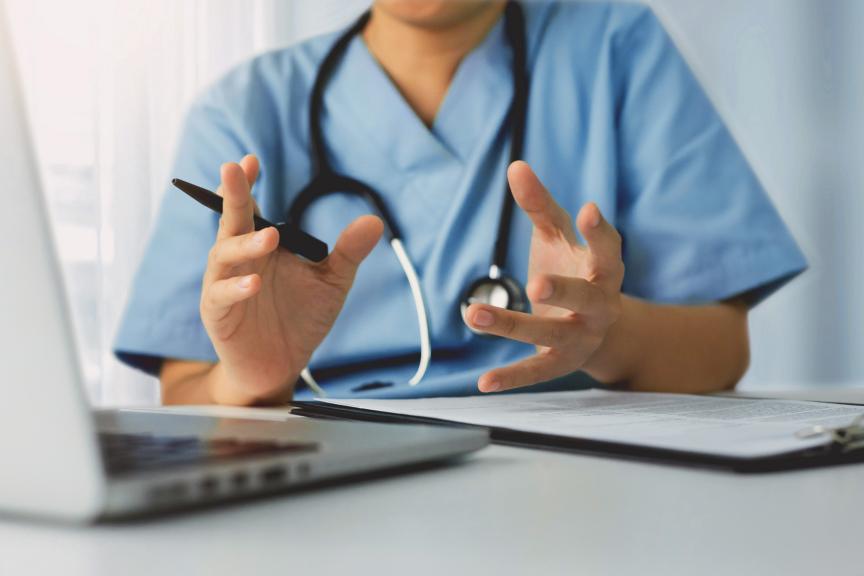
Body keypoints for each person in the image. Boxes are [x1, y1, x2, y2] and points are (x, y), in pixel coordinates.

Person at [114, 0, 806, 405]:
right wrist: (248, 380)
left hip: (578, 484)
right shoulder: (243, 109)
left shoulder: (615, 47)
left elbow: (720, 351)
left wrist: (607, 333)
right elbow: (185, 394)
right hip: (328, 476)